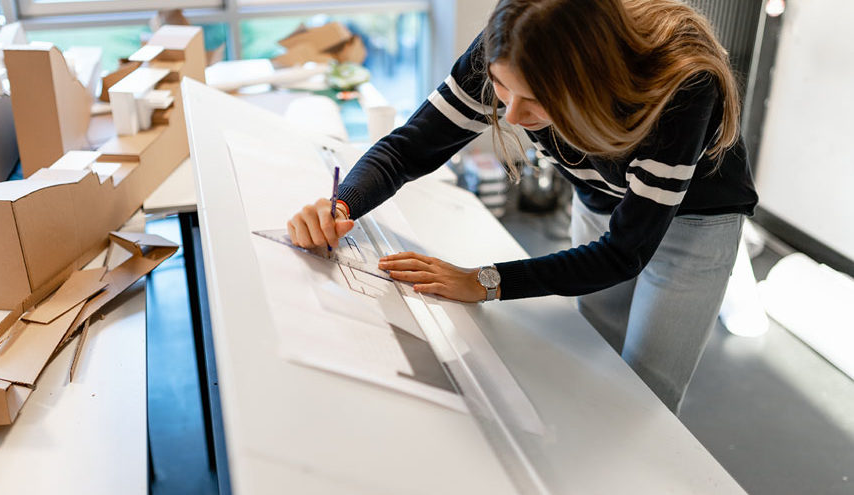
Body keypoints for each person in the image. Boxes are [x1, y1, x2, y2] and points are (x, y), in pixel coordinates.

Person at [286, 0, 758, 413]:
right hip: (601, 196)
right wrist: (342, 206)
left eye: (535, 100)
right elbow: (406, 149)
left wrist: (484, 282)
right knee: (596, 353)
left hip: (695, 218)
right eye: (502, 90)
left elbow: (624, 253)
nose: (511, 115)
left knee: (646, 395)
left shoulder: (682, 87)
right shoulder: (509, 46)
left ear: (594, 80)